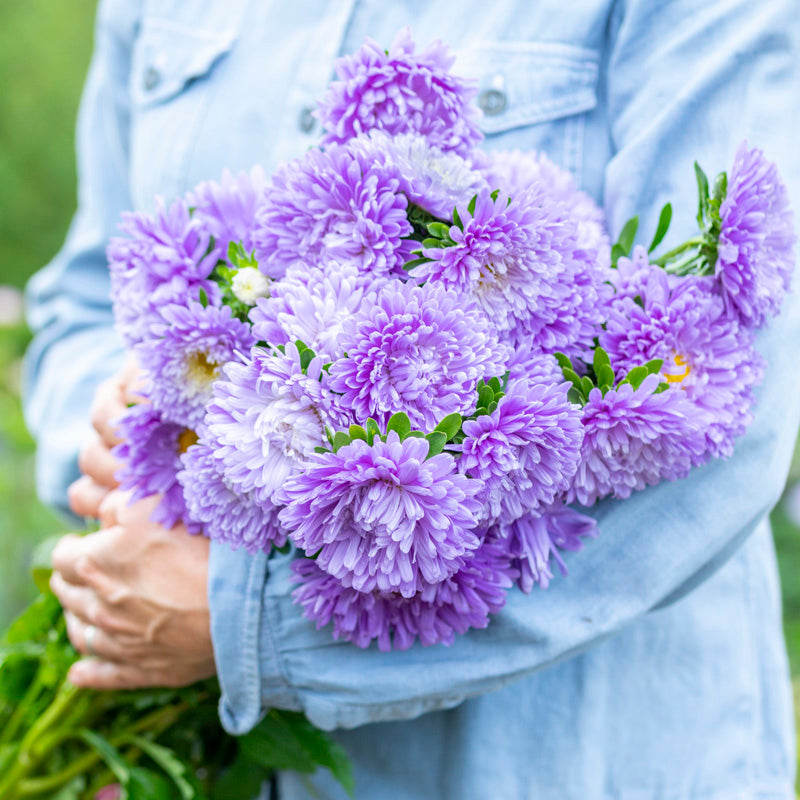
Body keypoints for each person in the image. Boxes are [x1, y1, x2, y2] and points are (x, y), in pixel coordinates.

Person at [23, 0, 800, 798]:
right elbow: (86, 296)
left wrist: (254, 630)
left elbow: (732, 425)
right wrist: (119, 429)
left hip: (568, 765)